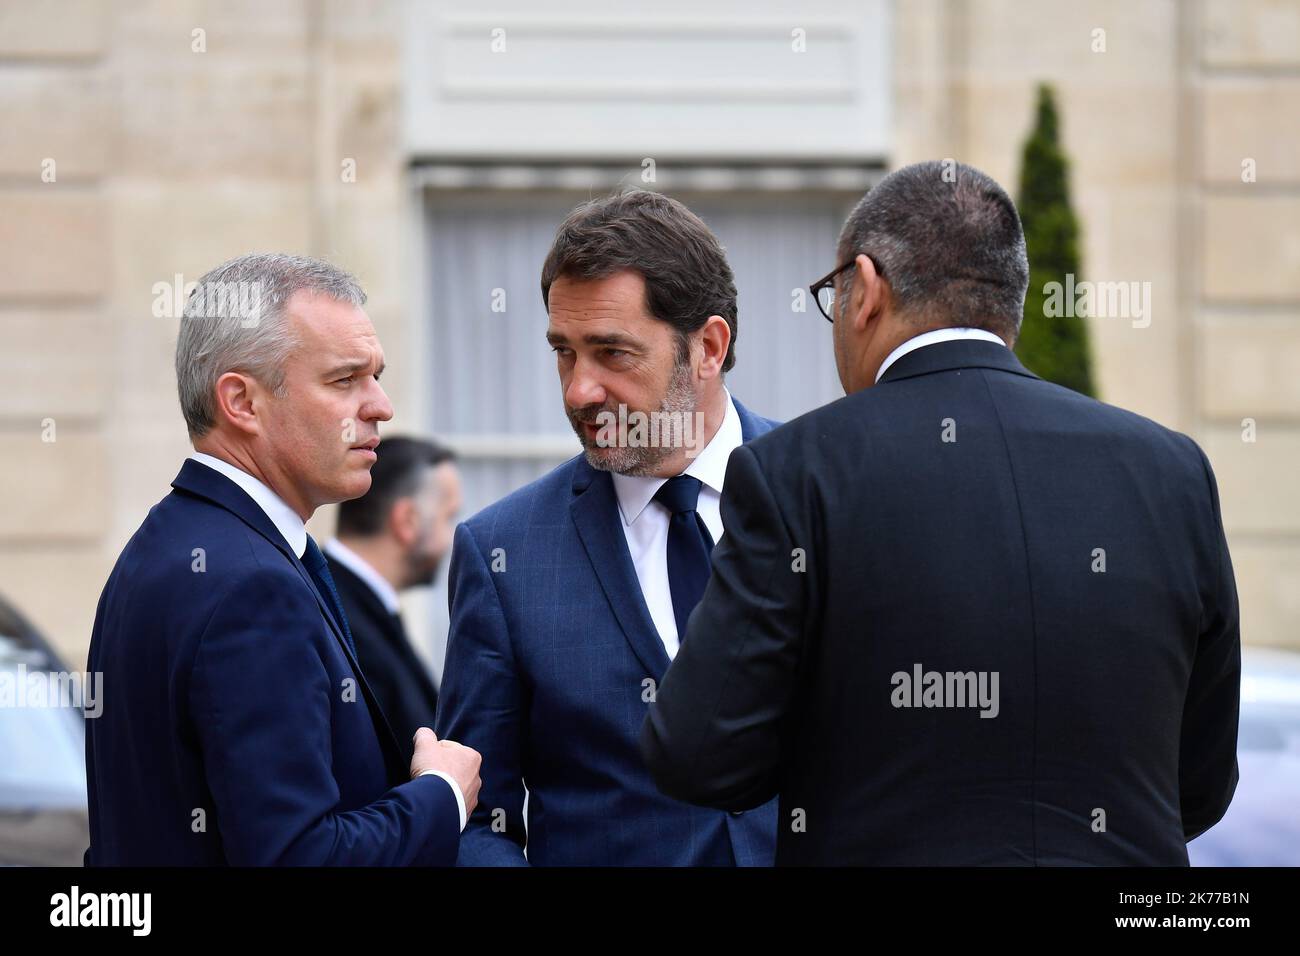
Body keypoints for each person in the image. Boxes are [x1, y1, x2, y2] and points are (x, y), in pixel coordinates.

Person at [641, 161, 1241, 866]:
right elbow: (1199, 784)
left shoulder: (795, 471)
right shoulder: (1170, 470)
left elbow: (699, 751)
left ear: (865, 288)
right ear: (1009, 301)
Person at [85, 253, 480, 865]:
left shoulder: (172, 542)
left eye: (376, 375)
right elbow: (299, 856)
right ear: (241, 402)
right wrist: (443, 795)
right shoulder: (251, 585)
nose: (381, 406)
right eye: (345, 380)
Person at [437, 190, 779, 865]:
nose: (578, 391)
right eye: (564, 352)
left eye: (612, 354)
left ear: (708, 347)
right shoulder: (503, 553)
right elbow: (479, 821)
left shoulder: (824, 497)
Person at [326, 436, 461, 761]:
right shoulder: (335, 618)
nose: (453, 538)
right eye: (449, 517)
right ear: (408, 522)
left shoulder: (359, 606)